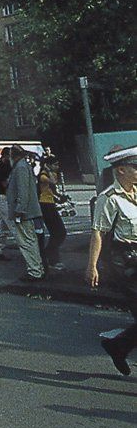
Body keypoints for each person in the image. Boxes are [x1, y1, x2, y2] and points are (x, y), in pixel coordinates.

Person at [86, 145, 137, 376]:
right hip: (124, 262)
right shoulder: (108, 199)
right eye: (134, 167)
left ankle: (118, 346)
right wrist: (92, 266)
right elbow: (98, 232)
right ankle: (118, 346)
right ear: (120, 171)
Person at [5, 144, 46, 281]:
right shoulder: (23, 166)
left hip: (24, 213)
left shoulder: (20, 168)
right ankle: (37, 269)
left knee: (27, 242)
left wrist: (19, 210)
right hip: (28, 211)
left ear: (13, 156)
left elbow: (23, 191)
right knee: (30, 241)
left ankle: (34, 271)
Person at [38, 156, 67, 269]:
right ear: (48, 165)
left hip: (50, 203)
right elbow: (53, 182)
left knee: (58, 233)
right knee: (58, 232)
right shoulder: (43, 175)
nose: (57, 167)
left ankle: (52, 257)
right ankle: (48, 255)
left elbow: (52, 191)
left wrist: (60, 197)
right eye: (55, 164)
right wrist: (48, 170)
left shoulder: (52, 174)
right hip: (44, 205)